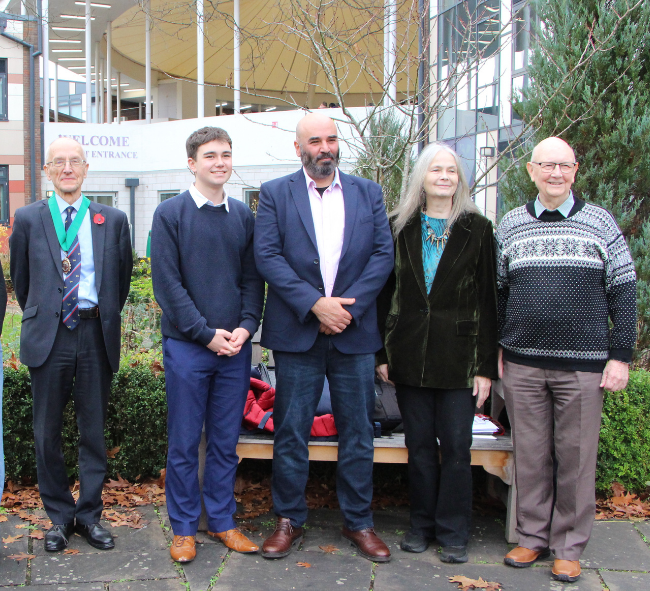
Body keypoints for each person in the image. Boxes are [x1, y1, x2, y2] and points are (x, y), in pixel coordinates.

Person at [255, 112, 394, 562]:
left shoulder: (367, 192)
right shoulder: (275, 193)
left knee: (358, 432)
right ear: (299, 148)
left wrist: (345, 310)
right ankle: (288, 519)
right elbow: (268, 256)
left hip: (354, 331)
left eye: (331, 139)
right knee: (291, 430)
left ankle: (359, 521)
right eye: (315, 141)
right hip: (298, 331)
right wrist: (315, 304)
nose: (325, 148)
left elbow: (382, 255)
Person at [497, 137, 637, 583]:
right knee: (530, 455)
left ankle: (569, 546)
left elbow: (624, 289)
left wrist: (620, 356)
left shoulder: (600, 222)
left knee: (576, 459)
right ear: (531, 171)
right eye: (546, 165)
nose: (555, 173)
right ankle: (532, 536)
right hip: (522, 363)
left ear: (575, 170)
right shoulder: (512, 224)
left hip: (583, 366)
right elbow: (498, 292)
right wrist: (496, 348)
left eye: (564, 165)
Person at [375, 143, 498, 563]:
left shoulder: (478, 229)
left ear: (459, 179)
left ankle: (454, 532)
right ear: (422, 178)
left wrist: (485, 367)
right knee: (420, 447)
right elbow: (384, 294)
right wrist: (381, 353)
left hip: (459, 358)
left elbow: (488, 300)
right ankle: (421, 526)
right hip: (408, 353)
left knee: (458, 448)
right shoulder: (398, 227)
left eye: (451, 170)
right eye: (435, 170)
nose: (444, 177)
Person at [9, 137, 133, 552]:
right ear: (46, 171)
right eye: (58, 162)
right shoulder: (28, 218)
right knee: (46, 433)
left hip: (95, 334)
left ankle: (89, 516)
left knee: (92, 431)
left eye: (74, 161)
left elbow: (120, 282)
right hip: (50, 336)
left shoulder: (112, 219)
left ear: (85, 168)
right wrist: (48, 313)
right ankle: (60, 518)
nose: (67, 168)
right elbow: (22, 282)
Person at [151, 126, 264, 563]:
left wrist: (247, 327)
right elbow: (167, 285)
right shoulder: (170, 214)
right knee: (183, 443)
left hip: (234, 349)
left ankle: (221, 520)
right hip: (188, 348)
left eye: (226, 154)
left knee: (224, 442)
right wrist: (205, 334)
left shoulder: (243, 217)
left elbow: (252, 279)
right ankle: (183, 529)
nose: (220, 162)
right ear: (192, 163)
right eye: (211, 155)